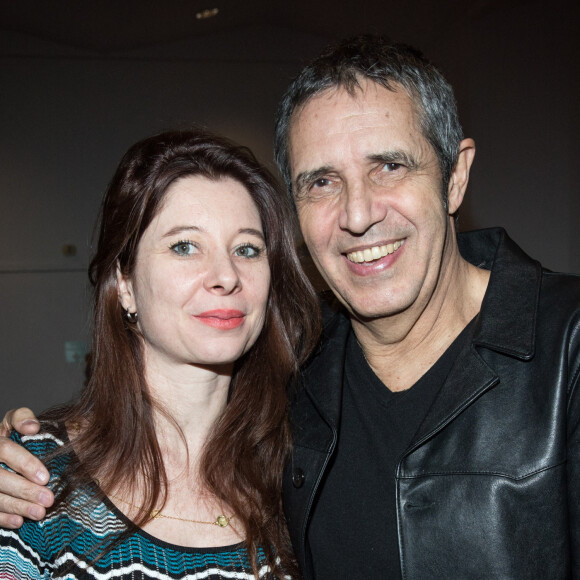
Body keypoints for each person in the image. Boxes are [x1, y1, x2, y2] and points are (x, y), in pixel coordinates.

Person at [2, 34, 580, 578]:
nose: (358, 215)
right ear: (123, 283)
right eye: (322, 182)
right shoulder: (300, 387)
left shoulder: (566, 353)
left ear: (455, 176)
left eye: (389, 165)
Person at [0, 128, 321, 578]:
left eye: (247, 249)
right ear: (126, 284)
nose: (226, 275)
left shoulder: (304, 477)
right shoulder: (33, 481)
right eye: (185, 246)